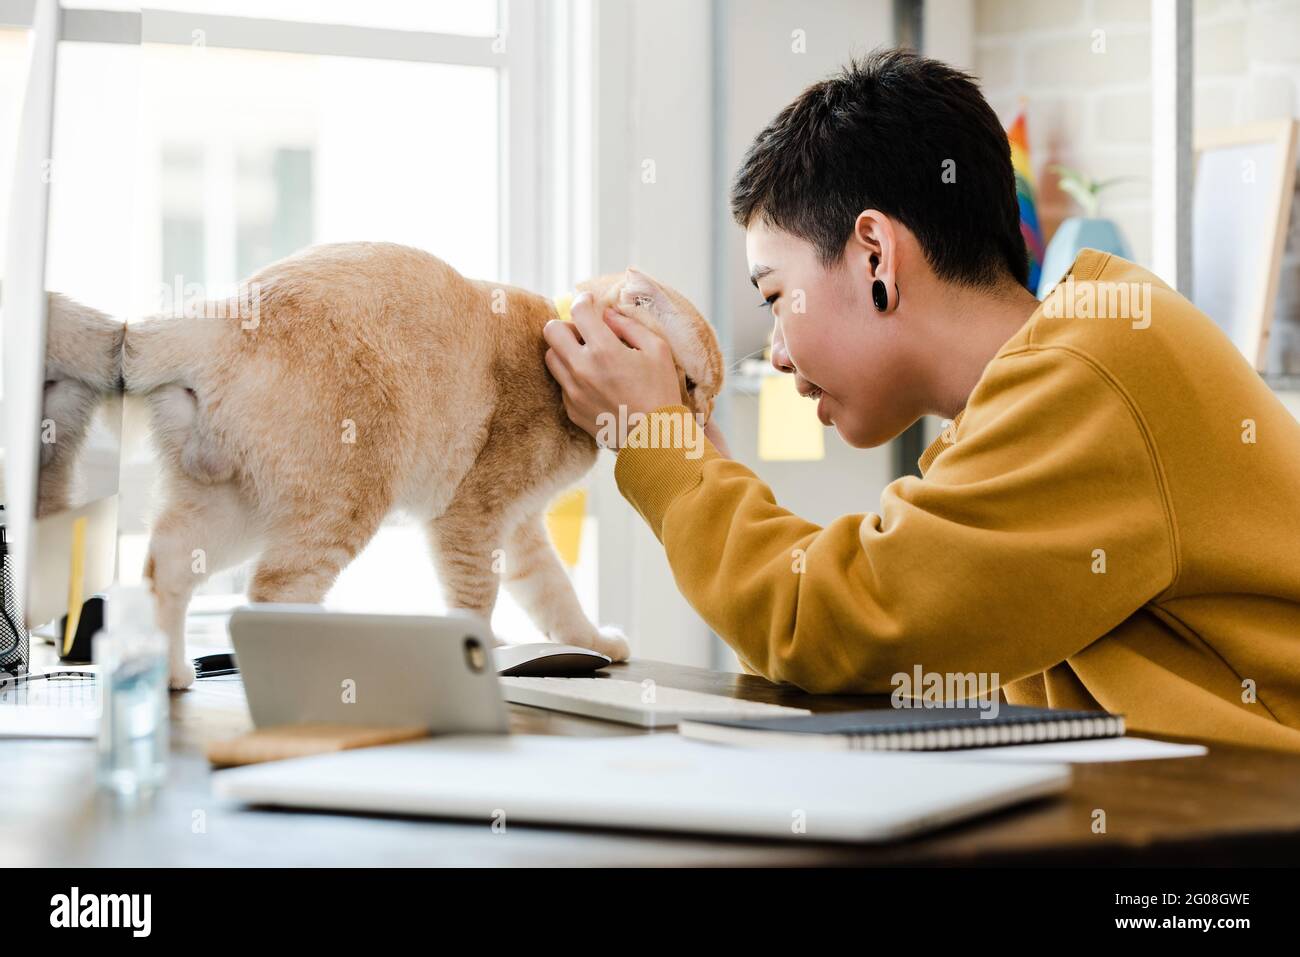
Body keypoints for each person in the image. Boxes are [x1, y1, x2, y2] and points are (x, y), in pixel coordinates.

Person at [541, 49, 1300, 751]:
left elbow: (833, 624)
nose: (776, 351)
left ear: (876, 254)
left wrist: (658, 442)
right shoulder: (1047, 385)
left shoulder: (1094, 374)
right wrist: (692, 456)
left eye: (777, 296)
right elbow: (841, 641)